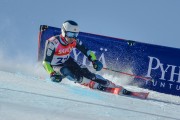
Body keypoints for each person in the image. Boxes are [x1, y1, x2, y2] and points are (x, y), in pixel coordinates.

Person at [42, 20, 131, 95]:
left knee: (87, 73)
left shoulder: (74, 41)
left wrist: (94, 60)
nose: (72, 38)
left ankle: (112, 85)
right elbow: (45, 62)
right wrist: (52, 73)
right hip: (55, 66)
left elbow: (87, 51)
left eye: (75, 35)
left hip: (67, 61)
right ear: (63, 32)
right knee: (69, 73)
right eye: (70, 34)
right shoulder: (53, 42)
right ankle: (91, 84)